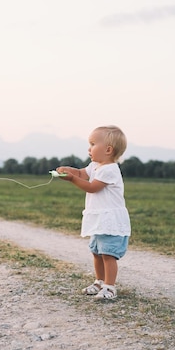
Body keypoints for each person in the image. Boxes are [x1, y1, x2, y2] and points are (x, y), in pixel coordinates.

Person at [55, 125, 131, 300]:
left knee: (108, 254)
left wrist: (72, 179)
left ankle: (110, 287)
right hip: (99, 219)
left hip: (110, 220)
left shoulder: (110, 169)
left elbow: (92, 187)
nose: (89, 148)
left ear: (108, 150)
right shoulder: (95, 165)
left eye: (93, 144)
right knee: (96, 252)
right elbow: (83, 173)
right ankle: (99, 281)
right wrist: (71, 171)